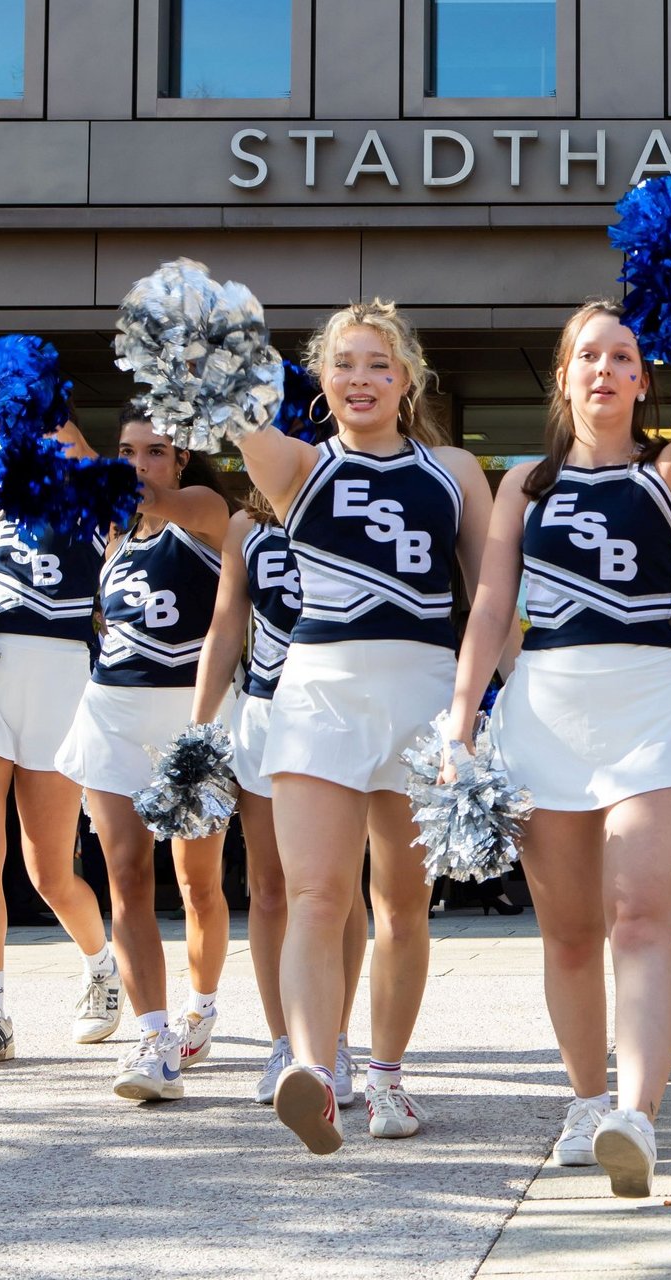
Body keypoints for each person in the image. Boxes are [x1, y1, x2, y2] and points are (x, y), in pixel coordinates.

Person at [443, 302, 671, 1198]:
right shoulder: (525, 482)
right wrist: (461, 718)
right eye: (588, 357)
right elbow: (492, 608)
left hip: (651, 709)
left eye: (624, 356)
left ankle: (635, 1116)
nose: (605, 369)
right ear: (564, 376)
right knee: (568, 934)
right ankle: (587, 1098)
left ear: (646, 377)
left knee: (641, 919)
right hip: (545, 714)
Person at [221, 300, 493, 1153]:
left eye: (379, 363)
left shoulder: (453, 469)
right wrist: (200, 344)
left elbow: (487, 593)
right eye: (345, 364)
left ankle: (388, 1081)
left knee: (403, 904)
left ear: (407, 377)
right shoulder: (297, 465)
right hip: (320, 692)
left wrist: (479, 708)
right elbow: (233, 413)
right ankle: (312, 1067)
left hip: (421, 693)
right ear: (322, 380)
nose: (362, 379)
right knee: (313, 895)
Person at [54, 405, 233, 1100]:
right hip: (112, 713)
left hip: (190, 720)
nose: (138, 464)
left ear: (181, 457)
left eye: (153, 450)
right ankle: (153, 1039)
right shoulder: (114, 535)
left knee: (198, 884)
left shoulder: (206, 511)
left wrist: (76, 439)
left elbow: (151, 496)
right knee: (127, 876)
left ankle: (202, 1007)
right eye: (127, 451)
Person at [0, 422, 120, 1069]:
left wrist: (86, 456)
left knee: (49, 873)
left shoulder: (102, 501)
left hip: (62, 686)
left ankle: (102, 967)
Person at [188, 489, 370, 1107]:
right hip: (265, 712)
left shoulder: (346, 496)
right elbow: (224, 627)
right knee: (270, 888)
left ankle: (334, 1039)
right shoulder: (246, 524)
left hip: (338, 707)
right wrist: (198, 725)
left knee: (335, 889)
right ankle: (283, 1044)